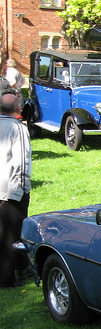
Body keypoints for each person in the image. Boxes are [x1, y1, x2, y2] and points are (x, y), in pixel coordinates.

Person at [0, 93, 31, 288]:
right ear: (18, 109)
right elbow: (22, 162)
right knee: (9, 234)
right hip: (10, 190)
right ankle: (5, 278)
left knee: (13, 231)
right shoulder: (17, 128)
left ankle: (23, 266)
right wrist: (21, 190)